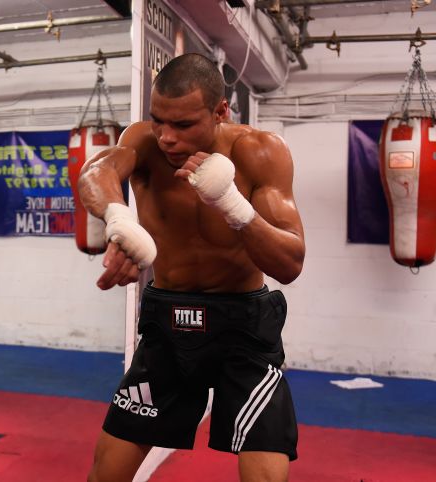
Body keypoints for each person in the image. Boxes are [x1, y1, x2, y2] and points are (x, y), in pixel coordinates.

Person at [79, 53, 305, 482]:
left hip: (244, 327)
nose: (166, 137)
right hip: (167, 325)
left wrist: (233, 207)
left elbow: (291, 261)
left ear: (221, 111)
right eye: (158, 120)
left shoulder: (259, 151)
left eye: (183, 125)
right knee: (104, 476)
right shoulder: (143, 143)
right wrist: (119, 219)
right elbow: (98, 170)